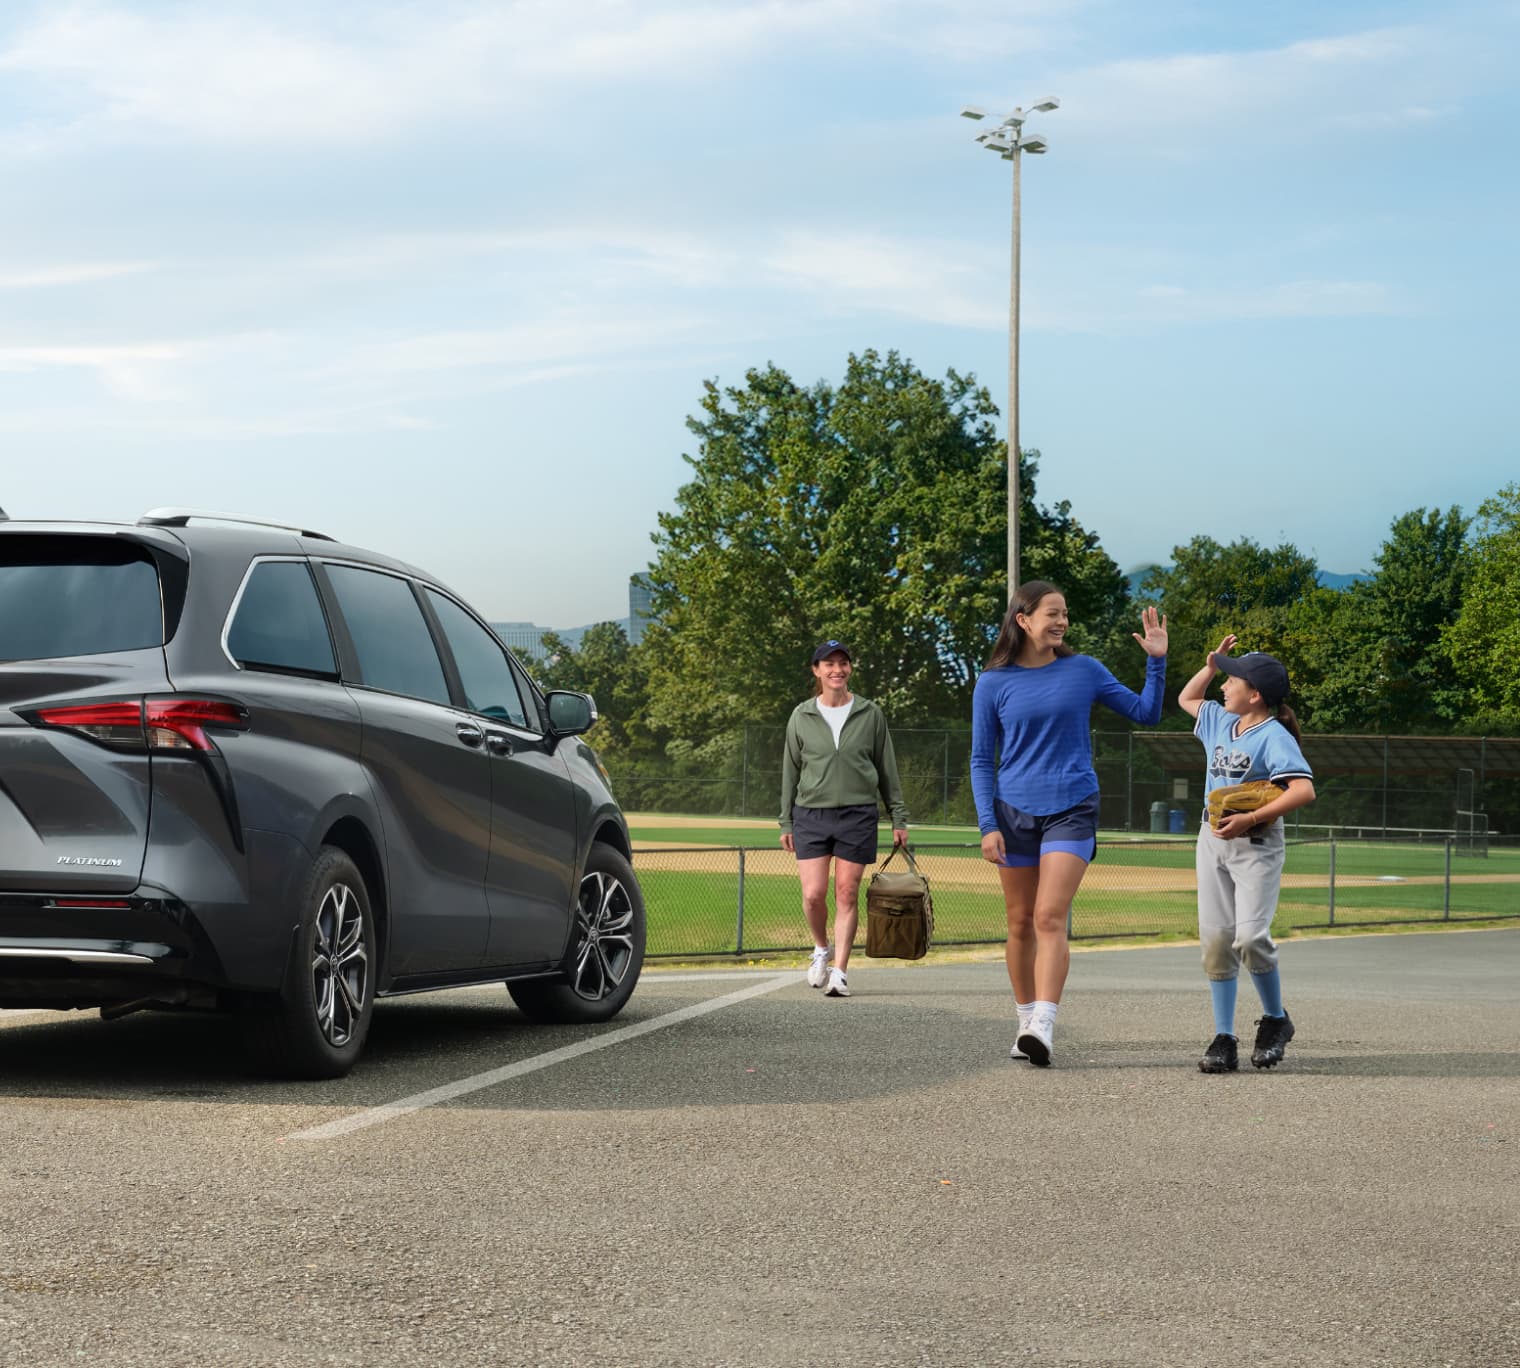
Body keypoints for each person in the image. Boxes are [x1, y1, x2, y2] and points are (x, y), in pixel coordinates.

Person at [971, 582, 1169, 1066]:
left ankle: (1044, 1022)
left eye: (1064, 615)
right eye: (1052, 614)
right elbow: (981, 759)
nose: (1061, 622)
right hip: (1012, 813)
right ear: (1023, 619)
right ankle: (1024, 1021)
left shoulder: (1085, 670)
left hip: (1072, 808)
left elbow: (1146, 713)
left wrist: (1157, 661)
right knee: (1019, 923)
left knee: (1048, 916)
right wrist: (986, 824)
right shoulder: (991, 683)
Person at [1178, 636, 1316, 1073]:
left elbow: (1304, 790)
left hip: (1254, 843)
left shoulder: (1273, 735)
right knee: (1218, 940)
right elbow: (1188, 696)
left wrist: (1253, 816)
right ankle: (1224, 1036)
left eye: (1232, 679)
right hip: (1212, 837)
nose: (1224, 686)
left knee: (1251, 938)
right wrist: (1212, 665)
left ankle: (1276, 1021)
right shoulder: (1220, 720)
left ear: (1254, 694)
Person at [779, 641, 910, 998]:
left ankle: (841, 970)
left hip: (858, 814)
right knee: (813, 894)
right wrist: (785, 822)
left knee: (847, 891)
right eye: (829, 664)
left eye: (843, 663)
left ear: (850, 669)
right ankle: (821, 948)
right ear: (816, 671)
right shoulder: (800, 716)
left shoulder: (870, 714)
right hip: (810, 815)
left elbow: (887, 770)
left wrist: (898, 816)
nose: (837, 669)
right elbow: (790, 772)